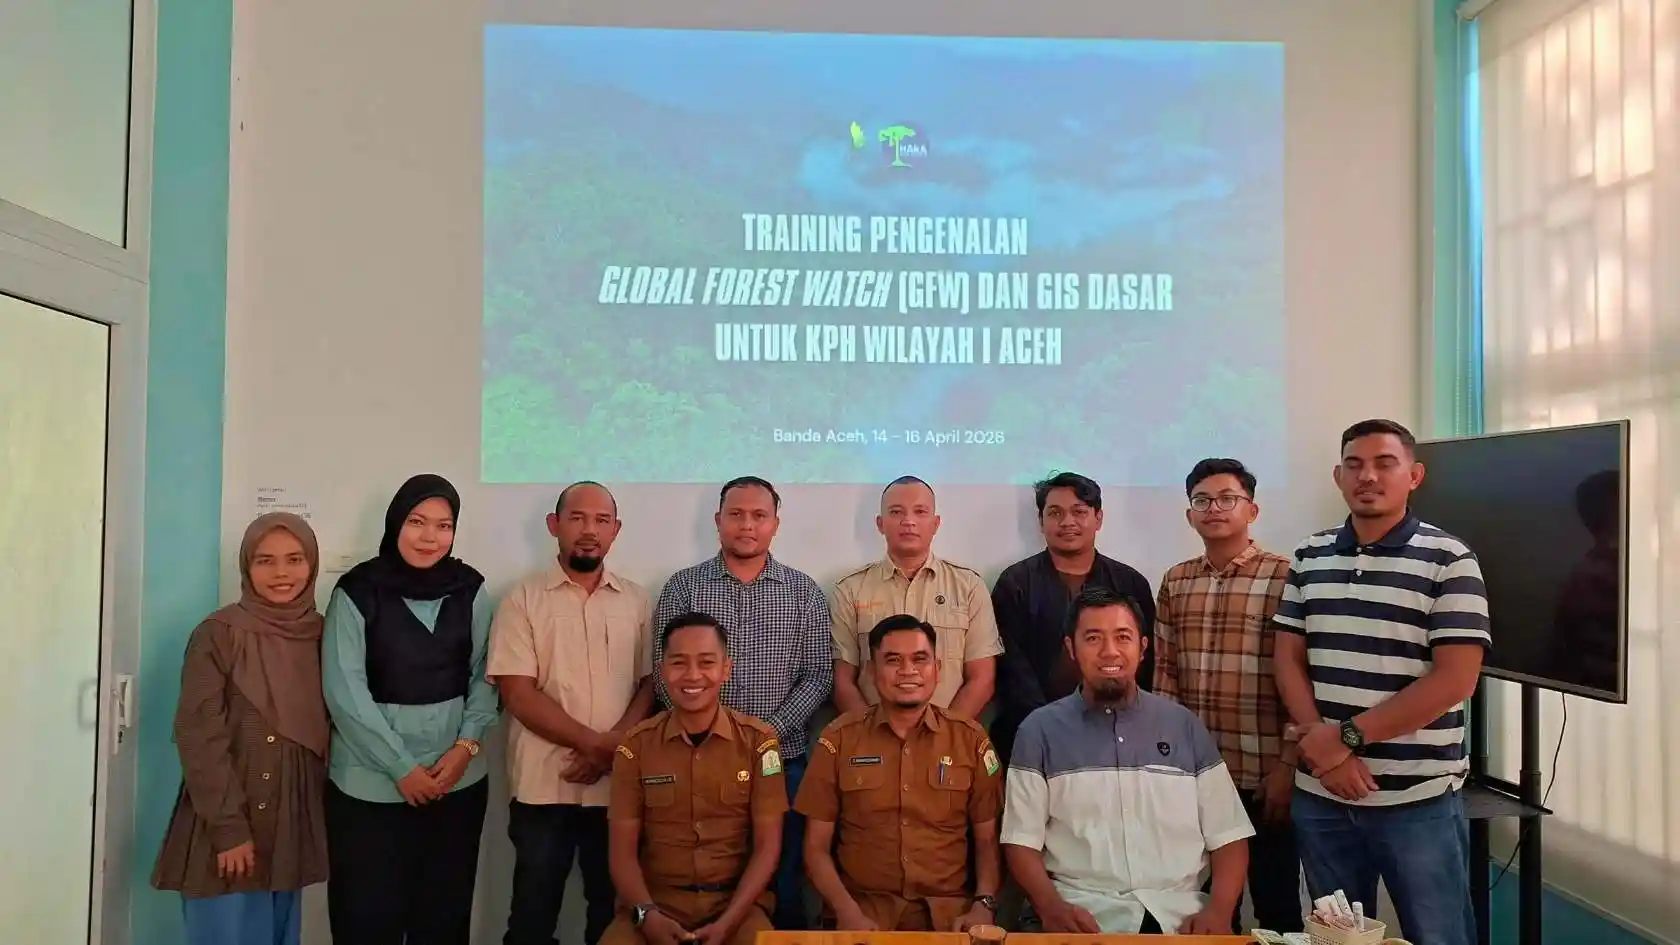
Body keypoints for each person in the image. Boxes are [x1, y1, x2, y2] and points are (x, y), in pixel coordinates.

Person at [1273, 419, 1489, 945]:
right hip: (1322, 793)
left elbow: (1456, 679)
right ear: (1338, 476)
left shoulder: (1450, 559)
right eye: (1354, 465)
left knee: (1438, 935)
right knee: (1337, 939)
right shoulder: (1309, 554)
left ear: (1414, 475)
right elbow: (1288, 659)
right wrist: (1328, 756)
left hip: (1417, 800)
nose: (1367, 476)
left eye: (1384, 463)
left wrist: (1345, 740)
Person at [1002, 585, 1253, 936]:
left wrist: (1220, 912)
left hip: (1180, 917)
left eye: (1123, 637)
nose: (1109, 651)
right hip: (1081, 915)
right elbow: (1020, 841)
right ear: (1071, 649)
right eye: (1093, 638)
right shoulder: (1039, 731)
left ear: (1143, 647)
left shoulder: (1183, 726)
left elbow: (1229, 835)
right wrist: (1051, 907)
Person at [322, 474, 500, 945]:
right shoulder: (357, 592)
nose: (430, 537)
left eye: (443, 525)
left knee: (443, 916)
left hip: (455, 784)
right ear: (395, 523)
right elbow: (345, 693)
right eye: (417, 522)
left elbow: (486, 673)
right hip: (371, 787)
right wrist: (402, 768)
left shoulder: (471, 589)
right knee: (367, 917)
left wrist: (464, 749)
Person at [652, 476, 832, 929]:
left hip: (782, 761)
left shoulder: (803, 592)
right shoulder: (684, 588)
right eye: (736, 514)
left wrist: (763, 734)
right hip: (698, 759)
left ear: (775, 525)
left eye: (759, 516)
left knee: (785, 878)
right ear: (718, 521)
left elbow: (817, 675)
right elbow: (663, 674)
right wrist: (721, 736)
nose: (746, 525)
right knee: (706, 873)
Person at [151, 513, 330, 945]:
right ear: (246, 566)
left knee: (279, 932)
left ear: (312, 565)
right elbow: (198, 734)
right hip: (227, 816)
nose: (282, 573)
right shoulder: (218, 634)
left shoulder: (322, 633)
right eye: (265, 561)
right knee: (226, 930)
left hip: (290, 821)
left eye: (294, 559)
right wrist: (230, 829)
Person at [490, 481, 656, 945]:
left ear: (616, 530)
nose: (589, 531)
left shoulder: (639, 602)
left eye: (602, 521)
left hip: (617, 789)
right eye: (578, 518)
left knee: (612, 916)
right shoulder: (522, 599)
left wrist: (611, 750)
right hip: (544, 788)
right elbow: (518, 693)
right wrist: (596, 745)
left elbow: (650, 685)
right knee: (532, 916)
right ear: (554, 525)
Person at [1152, 458, 1302, 933]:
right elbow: (1165, 672)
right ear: (1190, 514)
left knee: (1277, 904)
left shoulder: (1286, 577)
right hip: (1197, 774)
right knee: (1211, 910)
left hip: (1264, 772)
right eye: (1201, 501)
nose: (1213, 509)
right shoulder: (1177, 580)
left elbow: (1302, 676)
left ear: (1251, 510)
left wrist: (1289, 762)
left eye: (1227, 499)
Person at [797, 614, 1004, 932]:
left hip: (950, 920)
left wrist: (984, 905)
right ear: (871, 671)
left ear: (937, 669)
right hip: (863, 916)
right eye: (893, 660)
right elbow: (815, 847)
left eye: (919, 659)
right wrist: (845, 911)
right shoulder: (839, 739)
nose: (908, 671)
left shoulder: (971, 740)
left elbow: (987, 839)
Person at [603, 611, 786, 945]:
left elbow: (767, 848)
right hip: (654, 906)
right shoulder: (636, 746)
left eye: (706, 662)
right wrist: (648, 915)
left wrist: (728, 923)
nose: (693, 675)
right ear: (662, 671)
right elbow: (622, 853)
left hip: (736, 907)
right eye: (678, 663)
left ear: (726, 670)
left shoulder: (759, 743)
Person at [992, 472, 1155, 763]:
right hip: (1032, 733)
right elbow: (1012, 667)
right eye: (1055, 513)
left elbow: (1145, 663)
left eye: (1079, 512)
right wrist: (1050, 727)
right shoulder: (1016, 582)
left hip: (1116, 734)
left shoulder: (1129, 583)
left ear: (1098, 518)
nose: (1067, 522)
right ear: (1041, 521)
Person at [831, 476, 1003, 720]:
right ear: (880, 523)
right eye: (896, 512)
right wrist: (871, 735)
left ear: (935, 523)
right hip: (872, 742)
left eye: (920, 512)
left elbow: (982, 679)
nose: (908, 521)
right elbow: (843, 681)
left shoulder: (969, 587)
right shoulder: (850, 589)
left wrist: (943, 737)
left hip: (949, 742)